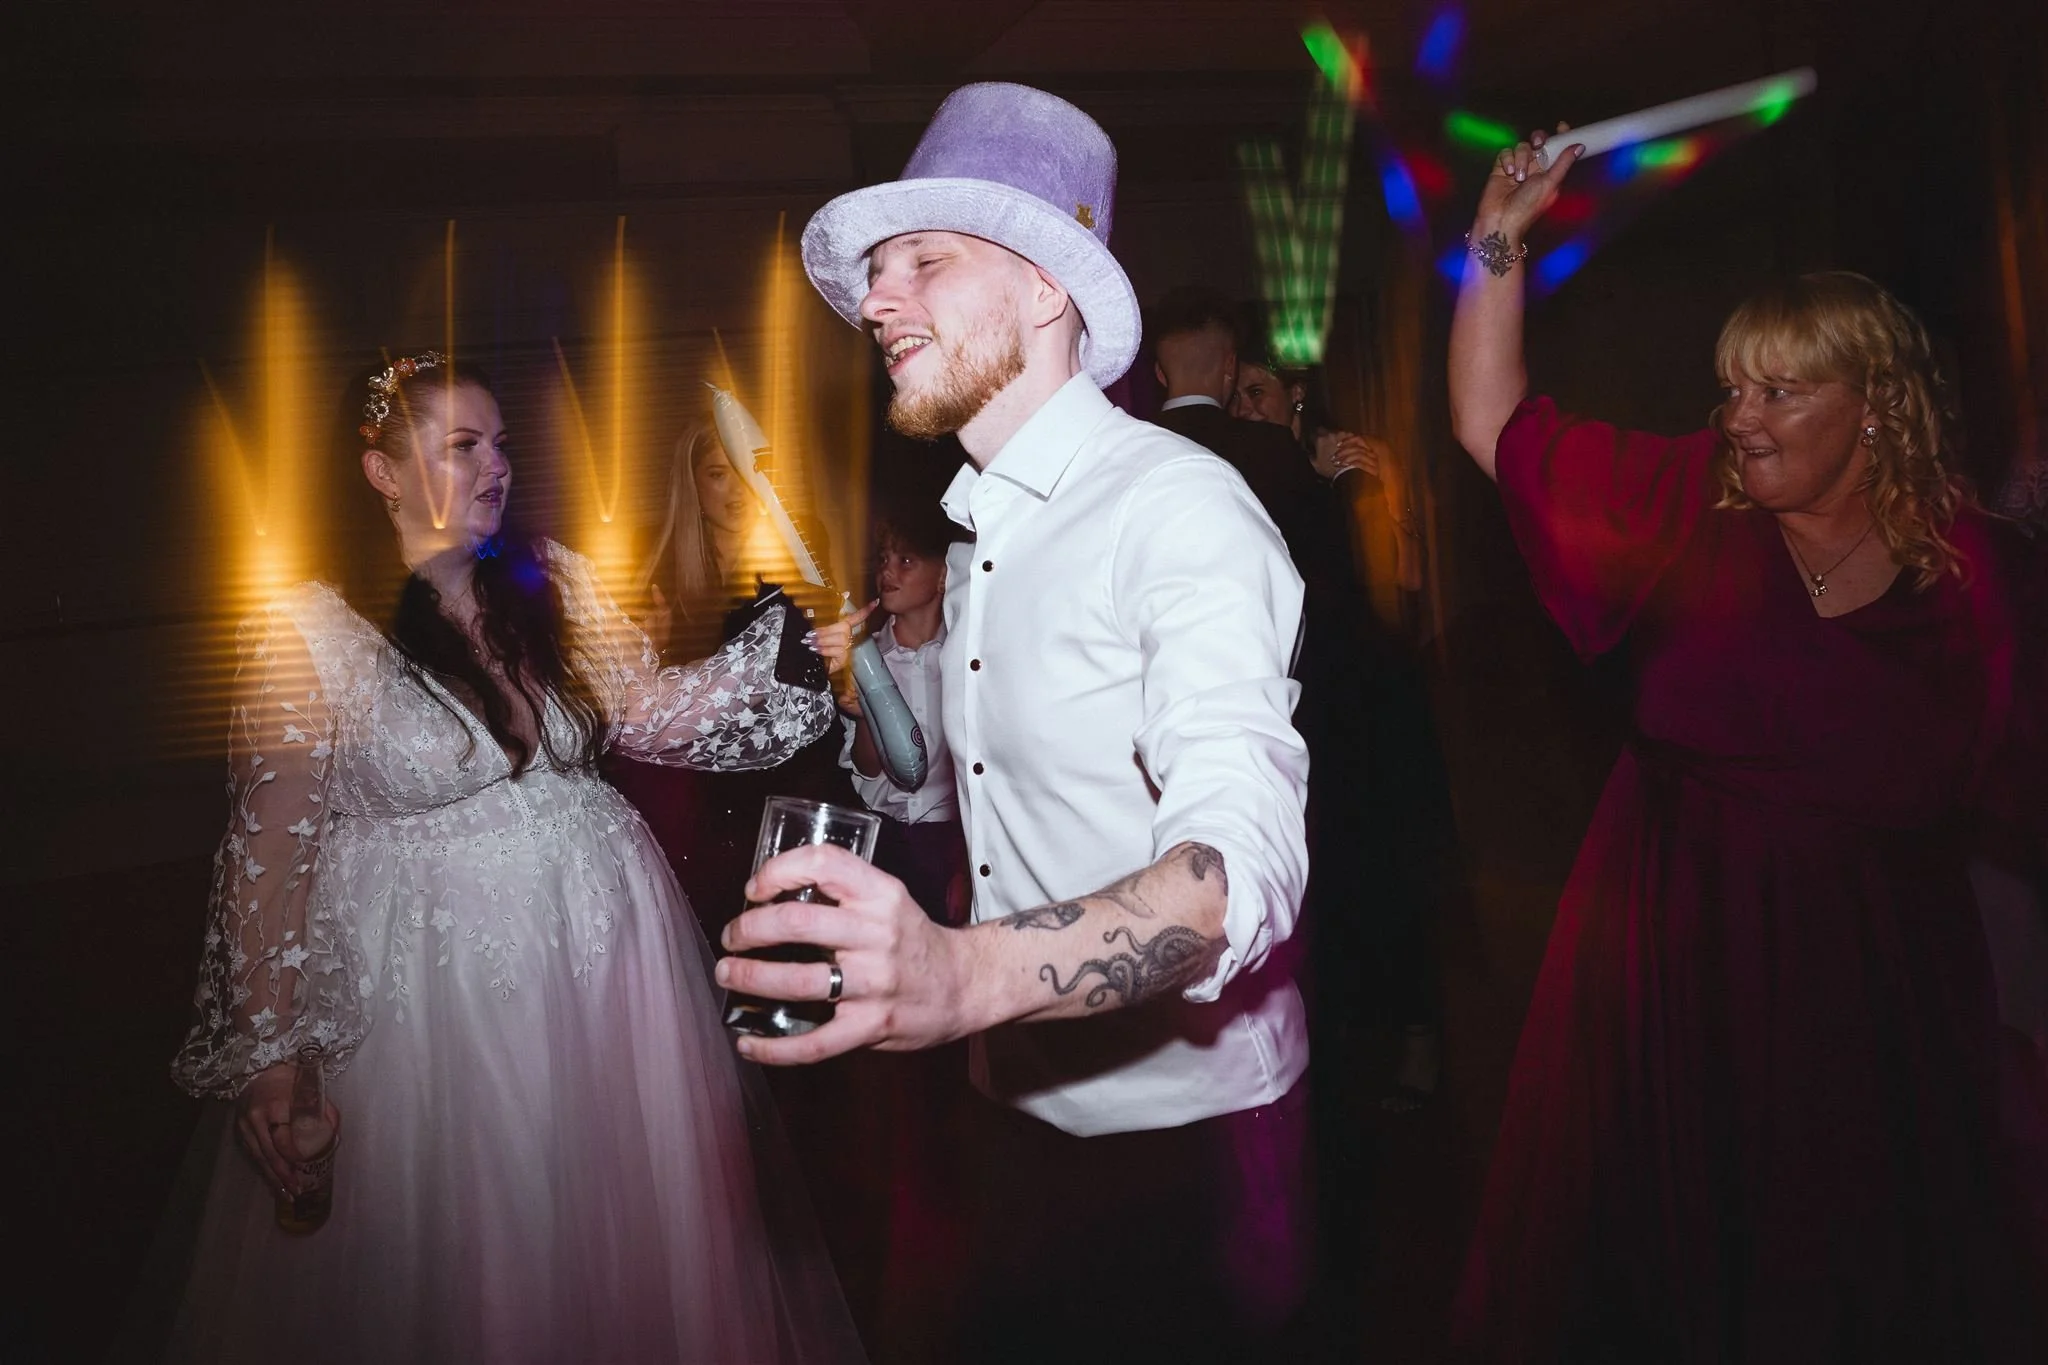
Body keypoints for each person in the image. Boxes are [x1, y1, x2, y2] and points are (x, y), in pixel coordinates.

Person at [726, 82, 1315, 1361]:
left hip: (1187, 1157)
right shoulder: (980, 530)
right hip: (1010, 1120)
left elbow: (1237, 874)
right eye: (877, 274)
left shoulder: (1177, 509)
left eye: (923, 262)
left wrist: (961, 974)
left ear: (1046, 286)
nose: (878, 302)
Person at [1446, 128, 2048, 1361]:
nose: (1739, 418)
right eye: (1731, 388)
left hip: (1881, 985)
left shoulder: (1983, 579)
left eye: (1778, 392)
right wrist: (1497, 234)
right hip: (1678, 961)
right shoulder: (1683, 507)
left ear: (1874, 406)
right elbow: (1491, 429)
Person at [158, 352, 866, 1364]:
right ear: (381, 473)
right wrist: (274, 1059)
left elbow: (656, 711)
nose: (494, 466)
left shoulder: (555, 584)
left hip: (611, 983)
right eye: (460, 446)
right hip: (432, 1000)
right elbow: (268, 861)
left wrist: (798, 654)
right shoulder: (308, 632)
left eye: (501, 445)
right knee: (477, 1252)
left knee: (622, 1236)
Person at [838, 501, 968, 924]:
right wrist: (862, 717)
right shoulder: (867, 657)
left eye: (906, 561)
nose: (888, 572)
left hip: (953, 844)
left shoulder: (965, 658)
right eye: (883, 561)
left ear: (944, 575)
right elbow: (868, 768)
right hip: (887, 841)